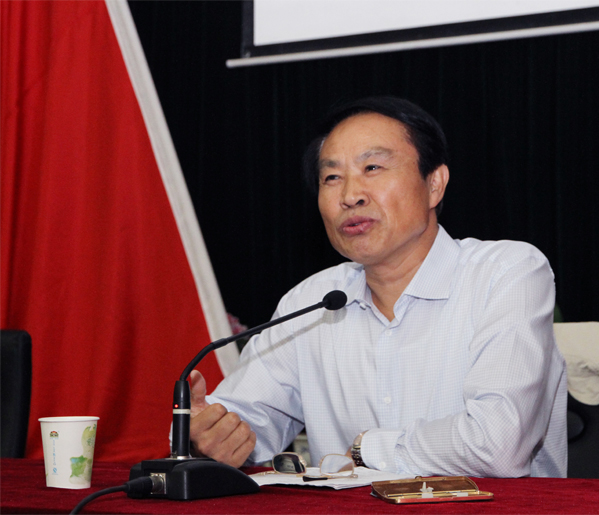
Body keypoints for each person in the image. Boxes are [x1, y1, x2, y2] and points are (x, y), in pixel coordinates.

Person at [189, 96, 568, 478]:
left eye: (372, 167)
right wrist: (212, 433)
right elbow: (247, 422)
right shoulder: (311, 302)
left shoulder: (506, 274)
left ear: (434, 184)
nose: (350, 196)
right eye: (332, 178)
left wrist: (367, 449)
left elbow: (498, 445)